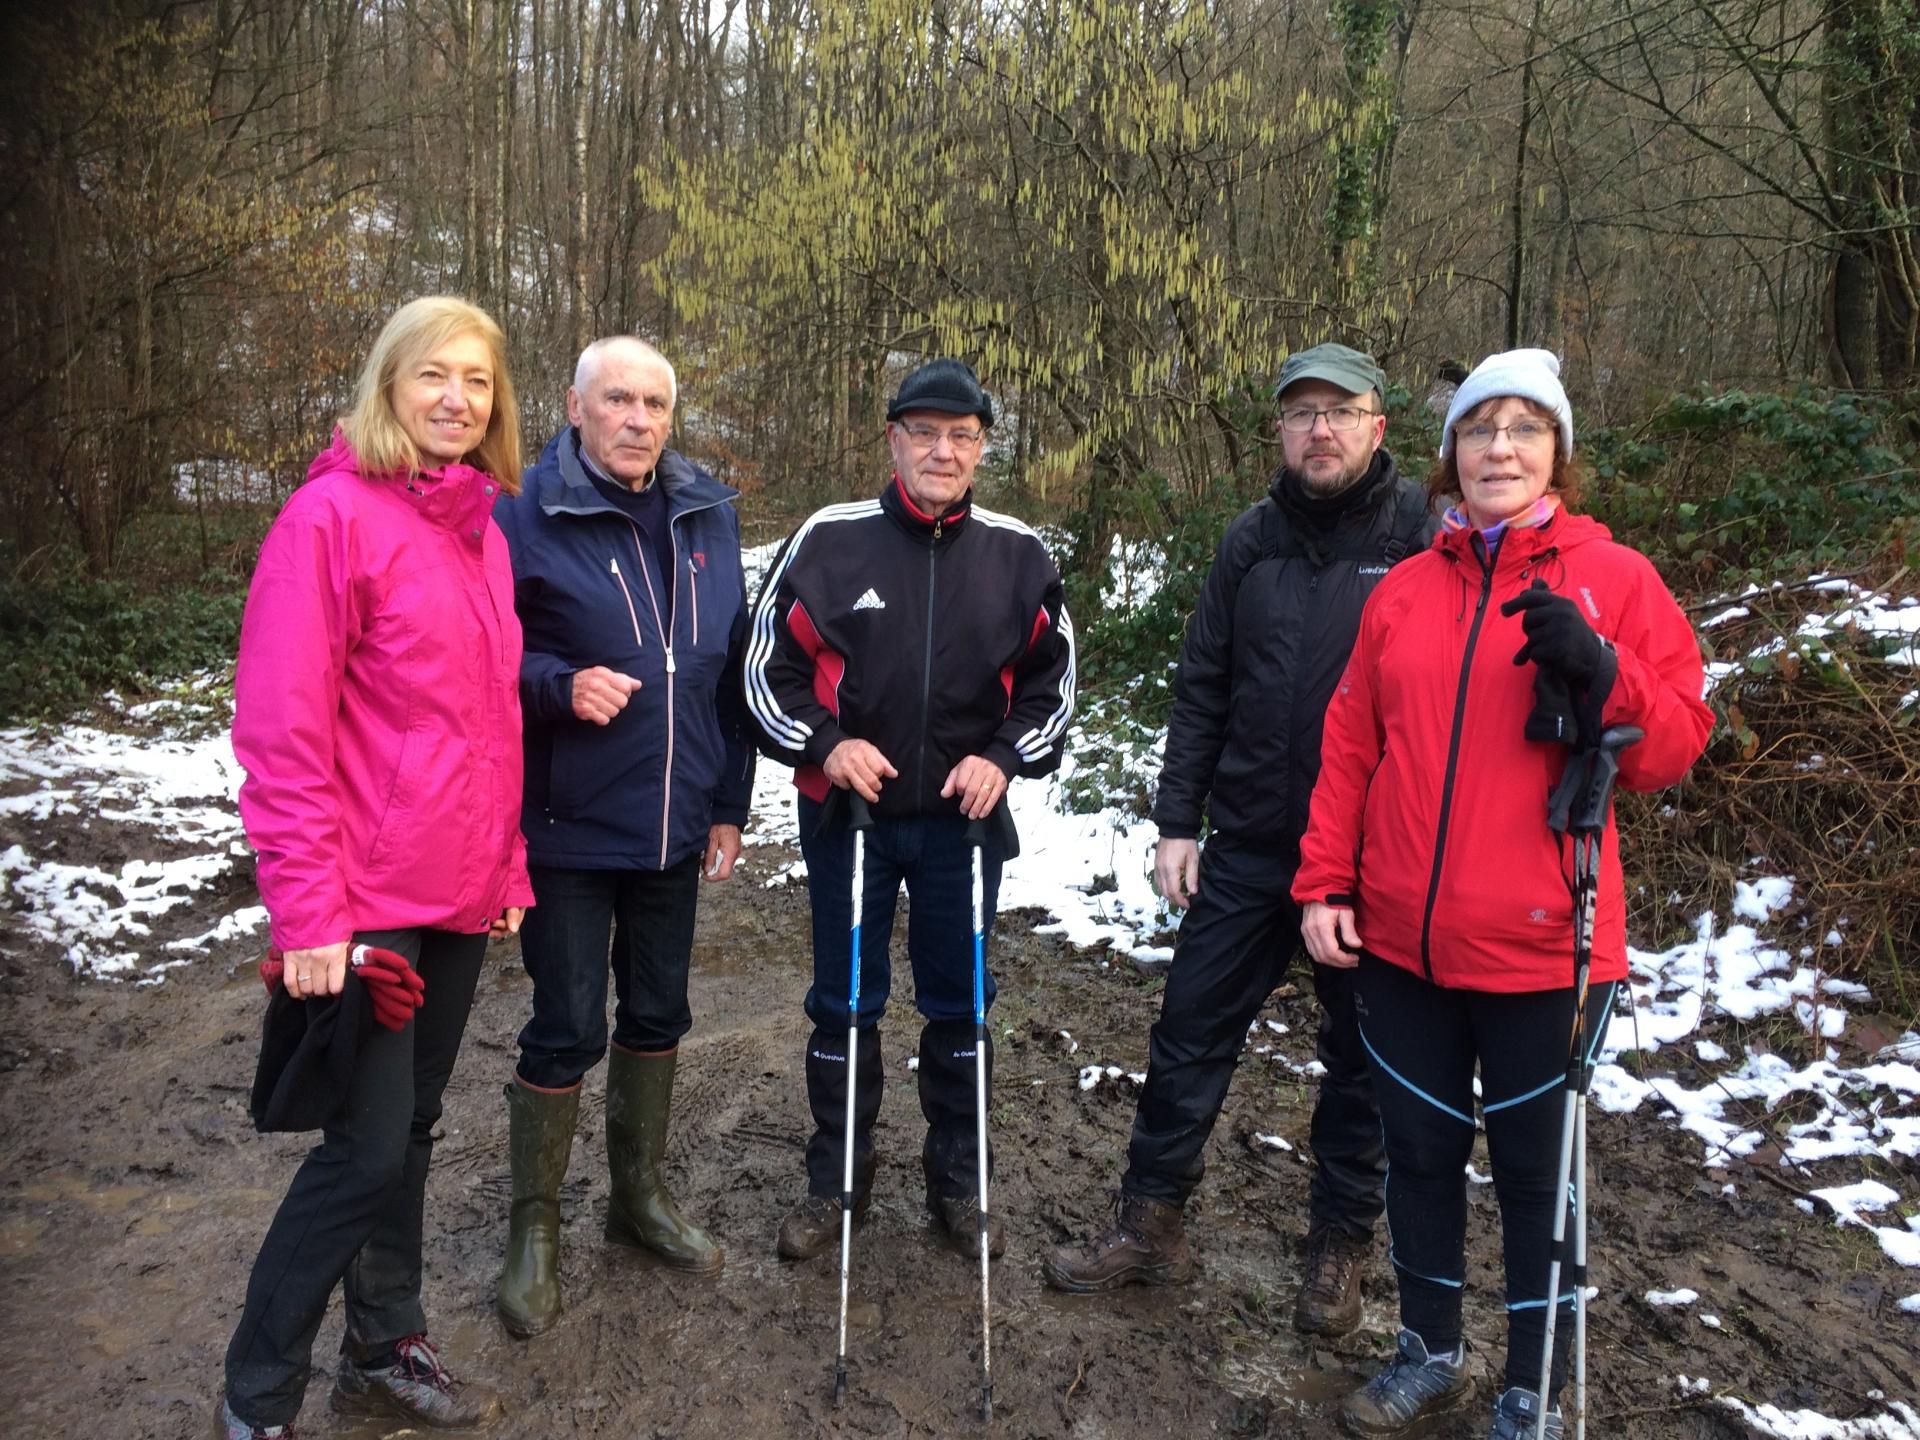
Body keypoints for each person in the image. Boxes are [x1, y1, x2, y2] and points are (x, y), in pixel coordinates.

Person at [1292, 348, 1712, 1439]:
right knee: (1421, 1157)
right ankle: (1429, 1350)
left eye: (1525, 429)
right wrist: (1324, 880)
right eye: (1481, 430)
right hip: (1401, 941)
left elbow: (1675, 743)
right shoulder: (1408, 589)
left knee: (1534, 1175)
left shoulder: (1613, 579)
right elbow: (1351, 743)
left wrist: (1606, 669)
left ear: (1557, 453)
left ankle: (1532, 1383)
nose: (1500, 449)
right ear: (1450, 455)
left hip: (1546, 944)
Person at [1042, 344, 1435, 1339]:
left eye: (1339, 411)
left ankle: (1337, 1250)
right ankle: (1152, 1225)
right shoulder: (1249, 542)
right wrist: (1180, 819)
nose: (1320, 429)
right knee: (1187, 1035)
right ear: (1279, 430)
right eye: (1301, 412)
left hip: (1370, 862)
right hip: (1253, 845)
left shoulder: (1426, 535)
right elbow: (1203, 683)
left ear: (1377, 425)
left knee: (1363, 1063)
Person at [217, 296, 532, 1439]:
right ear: (389, 386)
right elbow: (282, 735)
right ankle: (258, 1394)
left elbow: (488, 724)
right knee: (359, 1152)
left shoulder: (483, 531)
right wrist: (308, 916)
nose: (457, 399)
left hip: (454, 892)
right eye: (433, 376)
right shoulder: (327, 521)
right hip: (361, 905)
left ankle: (384, 1341)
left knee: (410, 1129)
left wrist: (504, 871)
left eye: (479, 382)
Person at [744, 357, 1076, 1262]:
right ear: (893, 440)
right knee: (845, 1003)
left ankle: (960, 1185)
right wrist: (824, 745)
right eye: (923, 433)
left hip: (961, 830)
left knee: (961, 1007)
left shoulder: (1019, 555)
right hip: (851, 817)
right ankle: (835, 1187)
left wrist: (1004, 757)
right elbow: (760, 670)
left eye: (961, 437)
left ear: (981, 449)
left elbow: (1055, 688)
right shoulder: (829, 539)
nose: (942, 451)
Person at [491, 336, 753, 1337]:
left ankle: (638, 1202)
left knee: (658, 1013)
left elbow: (728, 677)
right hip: (567, 825)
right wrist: (557, 687)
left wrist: (729, 802)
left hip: (676, 826)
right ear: (574, 405)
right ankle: (535, 1233)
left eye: (653, 402)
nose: (637, 419)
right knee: (565, 1027)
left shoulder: (707, 514)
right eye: (616, 400)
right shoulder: (522, 510)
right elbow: (482, 661)